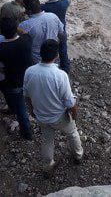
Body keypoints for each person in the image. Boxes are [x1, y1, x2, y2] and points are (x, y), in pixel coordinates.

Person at [23, 40, 83, 177]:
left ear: (40, 54)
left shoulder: (29, 71)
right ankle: (78, 156)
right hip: (59, 116)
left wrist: (31, 110)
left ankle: (47, 166)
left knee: (47, 141)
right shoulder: (60, 75)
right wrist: (74, 115)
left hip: (41, 116)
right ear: (56, 55)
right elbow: (69, 102)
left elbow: (26, 95)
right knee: (72, 133)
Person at [0, 17, 33, 140]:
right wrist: (16, 27)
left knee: (20, 108)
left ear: (2, 32)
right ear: (15, 29)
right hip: (26, 78)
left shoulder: (2, 48)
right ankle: (27, 132)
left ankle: (27, 133)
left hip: (11, 82)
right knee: (22, 107)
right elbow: (24, 33)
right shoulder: (26, 41)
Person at [19, 0, 64, 64]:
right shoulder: (53, 16)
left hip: (36, 60)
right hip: (53, 57)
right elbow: (61, 34)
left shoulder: (24, 25)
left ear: (29, 11)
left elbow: (21, 45)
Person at [37, 0, 71, 73]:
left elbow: (32, 7)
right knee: (63, 49)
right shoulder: (63, 4)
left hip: (49, 31)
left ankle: (51, 68)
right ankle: (65, 69)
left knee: (50, 50)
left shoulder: (43, 7)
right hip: (61, 31)